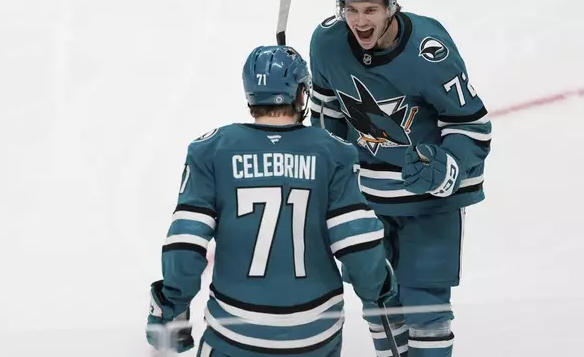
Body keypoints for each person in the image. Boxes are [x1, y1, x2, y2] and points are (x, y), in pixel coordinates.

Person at [145, 44, 397, 357]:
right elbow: (358, 245)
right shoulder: (333, 151)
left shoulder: (212, 149)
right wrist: (381, 292)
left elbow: (185, 242)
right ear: (302, 95)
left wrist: (171, 307)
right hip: (315, 332)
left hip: (236, 331)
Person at [308, 0, 493, 356]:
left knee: (426, 309)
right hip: (366, 201)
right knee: (379, 307)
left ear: (391, 6)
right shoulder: (326, 43)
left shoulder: (429, 48)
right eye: (351, 9)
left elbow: (472, 126)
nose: (360, 21)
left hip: (427, 202)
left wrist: (448, 168)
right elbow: (328, 123)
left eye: (370, 10)